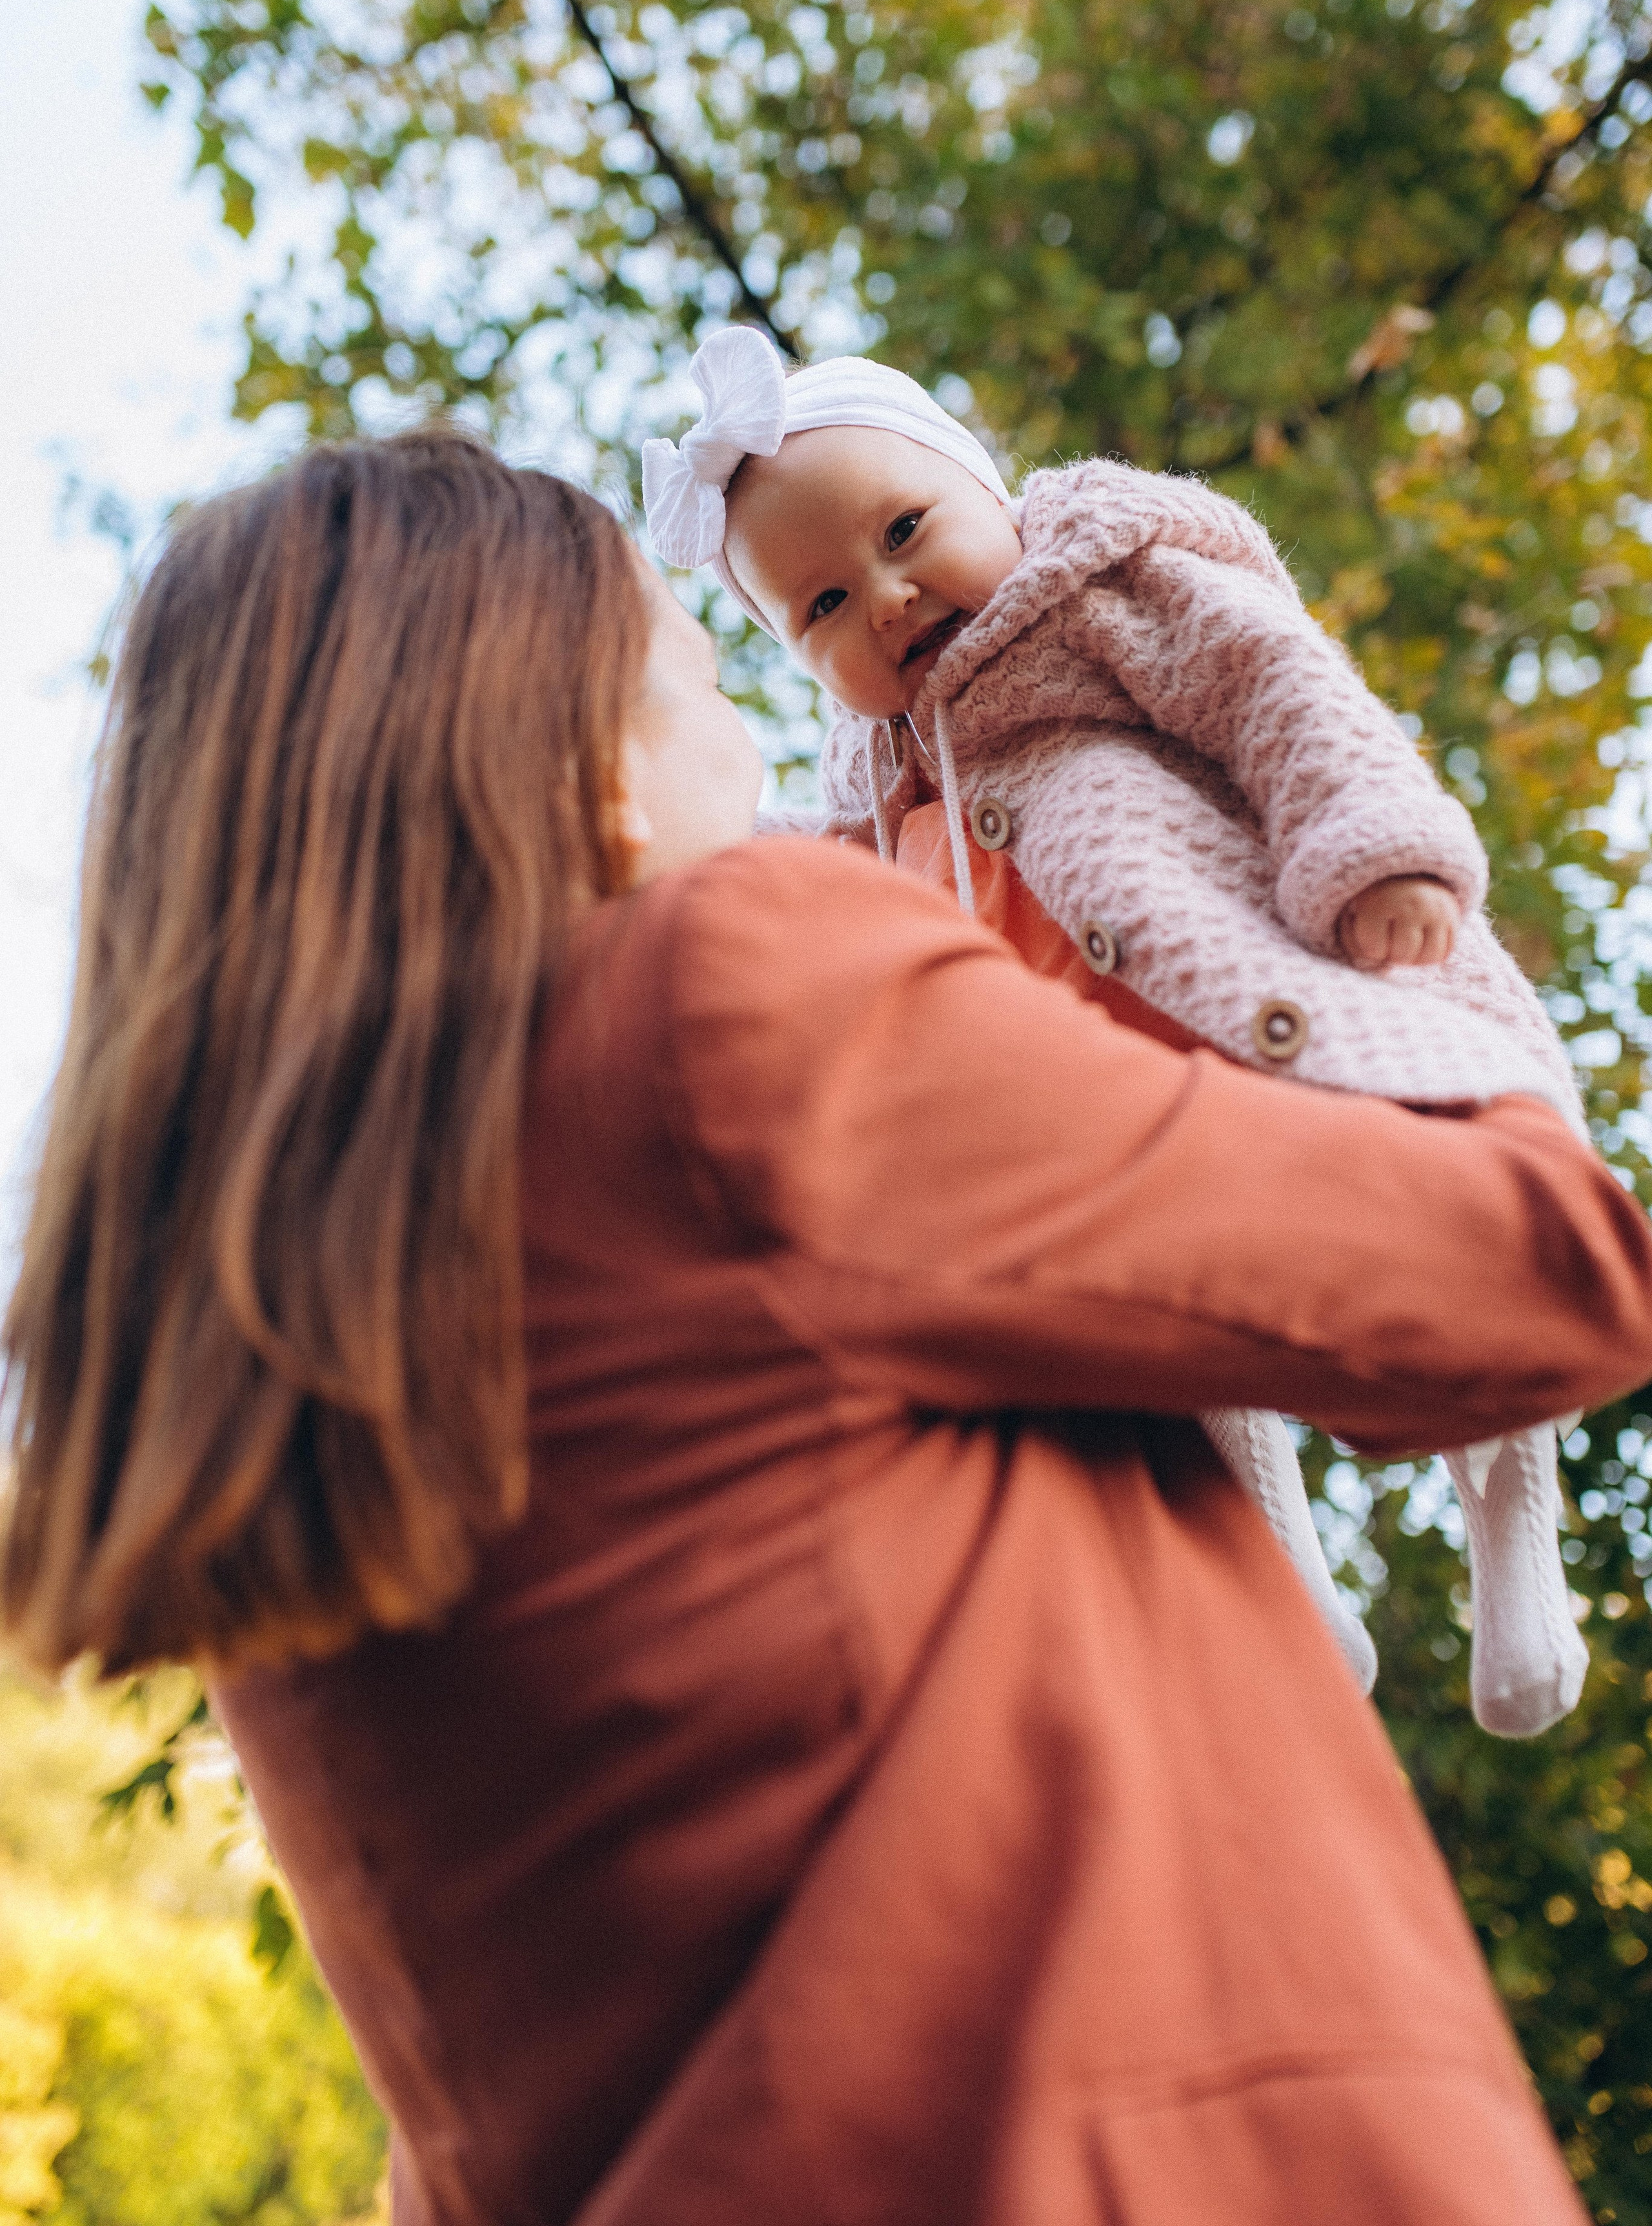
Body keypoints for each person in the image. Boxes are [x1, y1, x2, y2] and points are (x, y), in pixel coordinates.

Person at [5, 425, 1650, 2226]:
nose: (774, 760)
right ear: (592, 767)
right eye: (716, 681)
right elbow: (1534, 1270)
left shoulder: (270, 1340)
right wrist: (1310, 938)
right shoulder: (716, 1006)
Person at [643, 325, 1587, 1737]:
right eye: (823, 604)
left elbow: (1275, 685)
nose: (888, 596)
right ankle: (1288, 1585)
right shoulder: (879, 774)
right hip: (1115, 1100)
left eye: (906, 530)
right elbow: (803, 875)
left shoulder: (1095, 596)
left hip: (1256, 996)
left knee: (1436, 1217)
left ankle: (1514, 1530)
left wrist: (1371, 843)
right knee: (1182, 1329)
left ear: (989, 489)